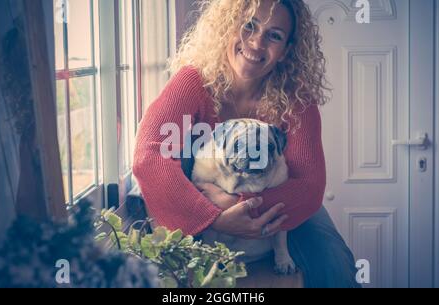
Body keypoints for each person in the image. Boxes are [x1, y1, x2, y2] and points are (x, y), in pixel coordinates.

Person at [133, 0, 360, 288]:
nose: (256, 42)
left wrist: (236, 206)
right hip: (198, 205)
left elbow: (309, 185)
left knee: (335, 266)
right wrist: (213, 217)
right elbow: (148, 156)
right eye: (249, 25)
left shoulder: (296, 98)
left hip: (284, 208)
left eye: (274, 35)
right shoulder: (192, 83)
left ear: (286, 51)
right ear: (229, 27)